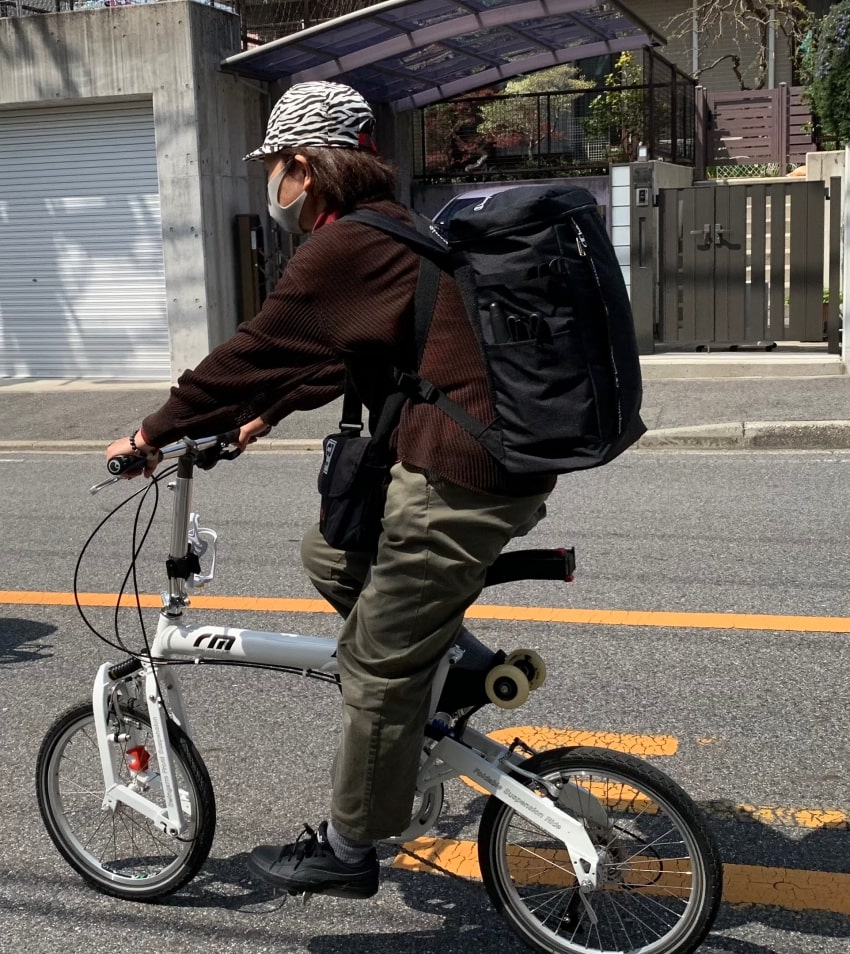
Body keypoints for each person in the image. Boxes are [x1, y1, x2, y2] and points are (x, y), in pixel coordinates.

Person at [105, 80, 554, 898]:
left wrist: (150, 434)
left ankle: (348, 850)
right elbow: (343, 355)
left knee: (377, 668)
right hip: (489, 461)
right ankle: (459, 669)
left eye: (277, 165)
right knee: (332, 549)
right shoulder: (398, 228)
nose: (272, 182)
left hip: (458, 475)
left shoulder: (344, 245)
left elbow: (253, 348)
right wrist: (265, 415)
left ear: (305, 167)